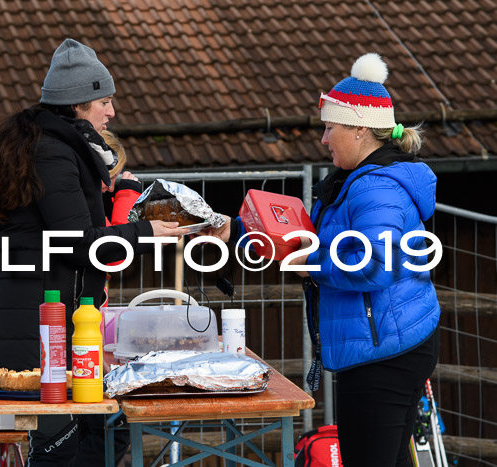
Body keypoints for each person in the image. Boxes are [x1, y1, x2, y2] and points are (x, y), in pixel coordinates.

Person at [209, 53, 440, 466]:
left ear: (360, 129)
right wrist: (236, 231)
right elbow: (310, 238)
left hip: (382, 355)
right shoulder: (353, 182)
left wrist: (308, 261)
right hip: (385, 345)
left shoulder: (376, 189)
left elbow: (374, 264)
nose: (324, 138)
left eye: (330, 127)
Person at [0, 38, 187, 466]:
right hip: (38, 328)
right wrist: (146, 232)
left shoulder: (54, 146)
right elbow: (77, 241)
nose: (111, 112)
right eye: (104, 101)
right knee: (60, 448)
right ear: (78, 103)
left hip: (56, 320)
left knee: (107, 431)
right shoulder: (52, 151)